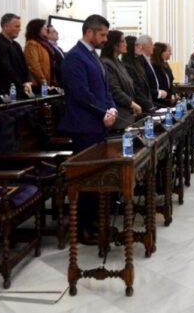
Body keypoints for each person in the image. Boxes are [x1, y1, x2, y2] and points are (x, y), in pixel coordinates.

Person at [59, 15, 118, 243]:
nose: (105, 39)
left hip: (98, 125)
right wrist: (103, 112)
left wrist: (111, 108)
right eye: (102, 34)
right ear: (89, 32)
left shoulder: (94, 56)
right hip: (83, 126)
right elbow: (82, 94)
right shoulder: (74, 57)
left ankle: (95, 222)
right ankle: (83, 228)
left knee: (97, 177)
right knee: (86, 179)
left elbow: (105, 89)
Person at [100, 30, 142, 129]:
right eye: (123, 41)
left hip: (128, 113)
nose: (126, 44)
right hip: (119, 117)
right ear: (114, 45)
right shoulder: (106, 63)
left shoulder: (118, 62)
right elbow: (114, 90)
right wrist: (132, 104)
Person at [0, 14, 33, 98]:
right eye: (16, 26)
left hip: (20, 89)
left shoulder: (16, 45)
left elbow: (24, 66)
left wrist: (27, 81)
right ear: (5, 26)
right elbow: (6, 70)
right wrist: (22, 84)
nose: (19, 29)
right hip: (5, 92)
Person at [122, 36, 155, 113]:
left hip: (146, 104)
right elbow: (135, 89)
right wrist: (147, 104)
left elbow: (145, 86)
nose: (140, 47)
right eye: (137, 45)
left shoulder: (137, 63)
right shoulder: (127, 65)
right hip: (138, 106)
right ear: (130, 47)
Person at [137, 35, 169, 105]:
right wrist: (158, 93)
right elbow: (145, 85)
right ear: (143, 46)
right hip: (150, 100)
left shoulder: (147, 60)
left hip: (156, 98)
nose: (153, 47)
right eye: (151, 44)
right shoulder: (140, 61)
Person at [24, 18, 54, 87]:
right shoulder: (32, 44)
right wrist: (43, 81)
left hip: (46, 82)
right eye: (44, 27)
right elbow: (34, 65)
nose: (47, 29)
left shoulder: (44, 44)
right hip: (38, 84)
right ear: (37, 30)